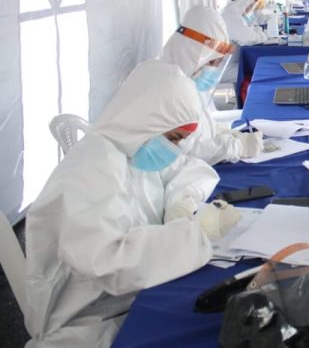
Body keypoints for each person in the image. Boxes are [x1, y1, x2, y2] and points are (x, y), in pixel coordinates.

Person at [25, 61, 241, 347]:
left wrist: (182, 201)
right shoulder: (91, 170)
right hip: (92, 320)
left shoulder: (133, 145)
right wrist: (195, 232)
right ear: (147, 119)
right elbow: (109, 263)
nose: (174, 148)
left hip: (130, 296)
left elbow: (186, 168)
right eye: (174, 138)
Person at [158, 6, 263, 165]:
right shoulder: (170, 87)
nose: (213, 68)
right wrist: (236, 146)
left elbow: (205, 125)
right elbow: (188, 149)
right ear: (194, 53)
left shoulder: (185, 77)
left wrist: (230, 134)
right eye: (211, 62)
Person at [220, 0, 270, 85]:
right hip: (223, 68)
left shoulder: (232, 12)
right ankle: (248, 101)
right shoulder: (230, 15)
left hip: (229, 61)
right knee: (258, 69)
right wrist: (265, 35)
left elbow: (250, 28)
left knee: (257, 66)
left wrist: (259, 32)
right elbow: (249, 38)